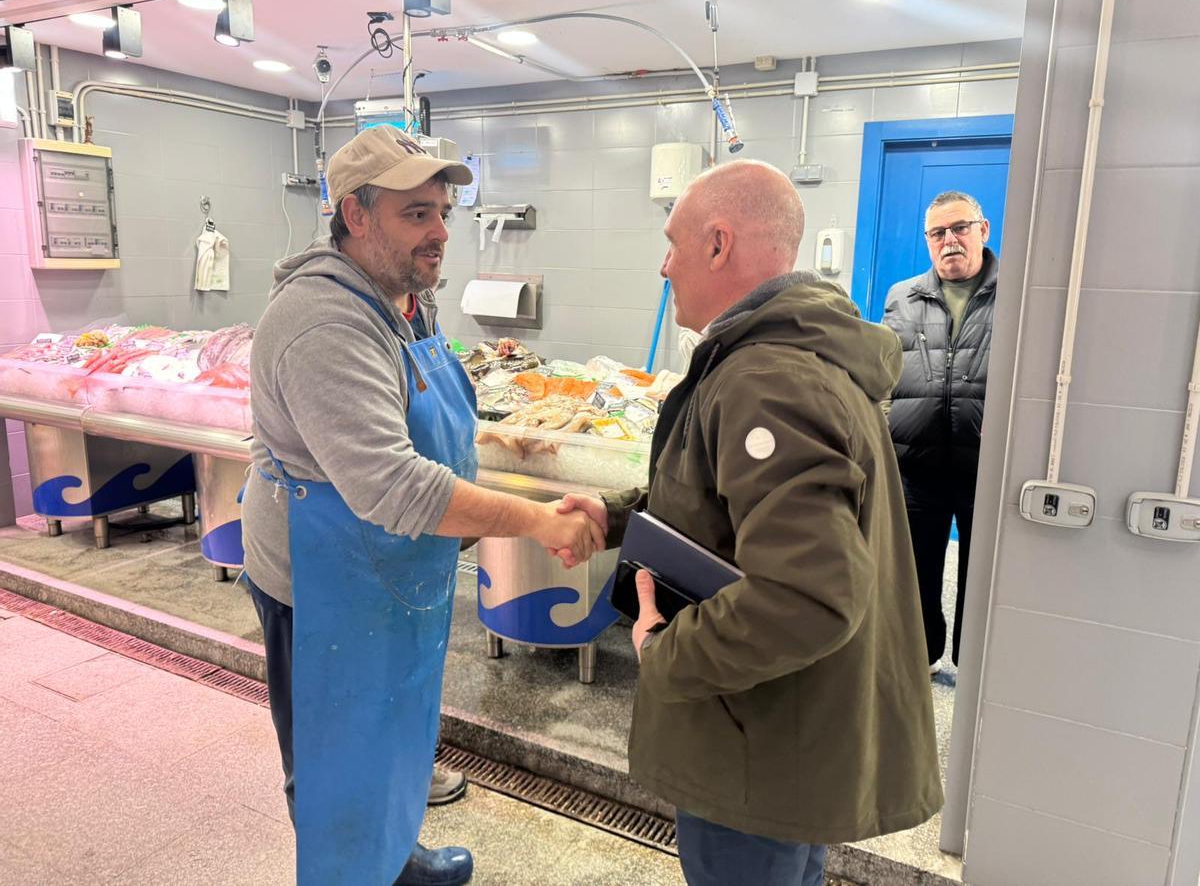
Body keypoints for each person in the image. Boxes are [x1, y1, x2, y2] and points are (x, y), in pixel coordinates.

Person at [560, 160, 942, 885]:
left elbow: (808, 595)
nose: (664, 264)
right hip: (789, 732)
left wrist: (663, 648)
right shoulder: (786, 359)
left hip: (757, 745)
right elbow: (723, 505)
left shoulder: (765, 380)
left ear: (718, 244)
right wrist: (613, 519)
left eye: (673, 243)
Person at [241, 124, 603, 886]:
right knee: (336, 758)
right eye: (416, 214)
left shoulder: (403, 300)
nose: (440, 232)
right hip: (323, 582)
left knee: (393, 729)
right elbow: (392, 485)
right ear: (355, 215)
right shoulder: (323, 320)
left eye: (443, 212)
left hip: (389, 567)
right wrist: (537, 519)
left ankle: (396, 858)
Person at [882, 190, 998, 674]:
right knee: (915, 569)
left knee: (984, 572)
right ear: (928, 240)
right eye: (938, 233)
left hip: (987, 463)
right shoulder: (901, 296)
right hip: (915, 459)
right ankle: (920, 655)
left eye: (960, 228)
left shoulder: (1020, 292)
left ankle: (973, 663)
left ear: (982, 230)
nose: (949, 240)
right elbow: (883, 371)